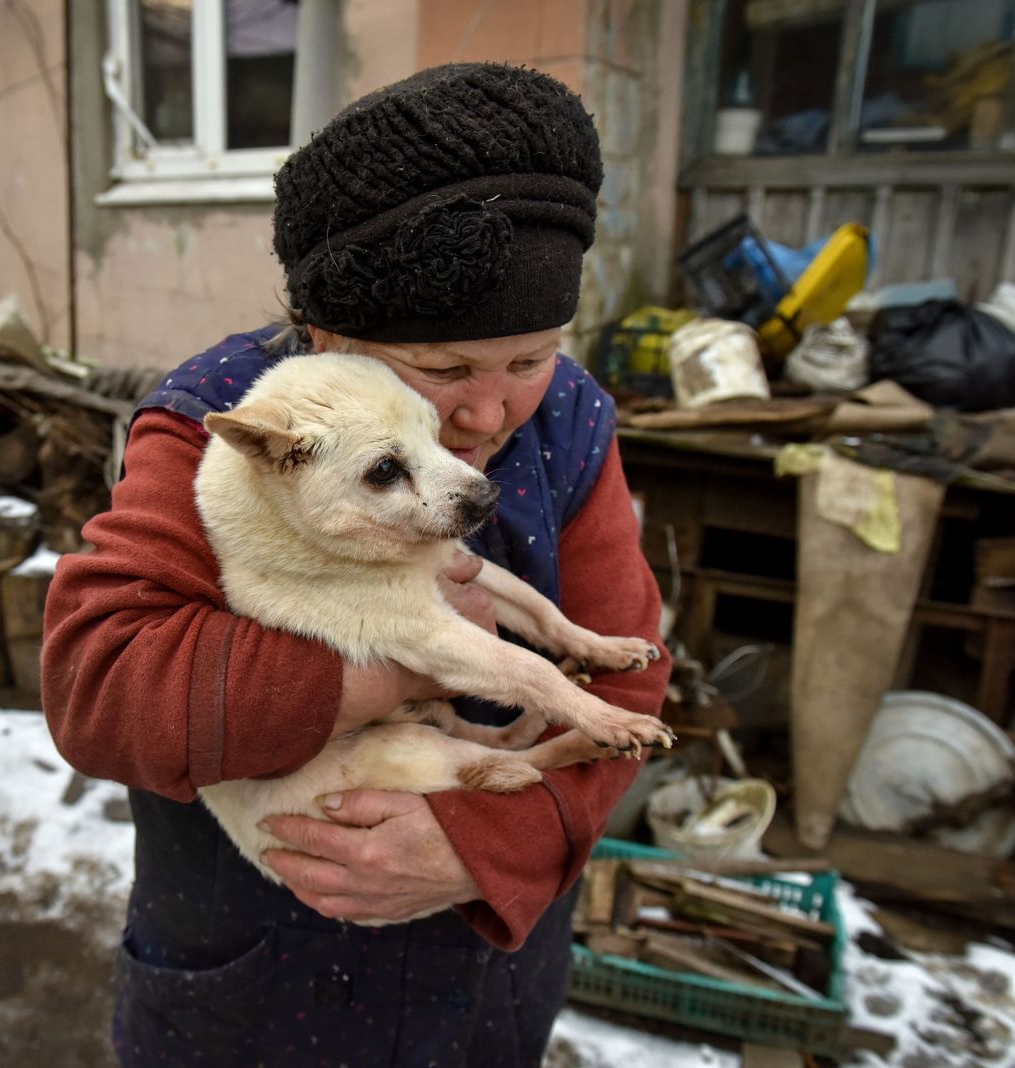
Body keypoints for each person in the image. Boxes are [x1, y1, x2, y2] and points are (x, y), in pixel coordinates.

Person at [41, 62, 672, 1067]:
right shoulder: (240, 427)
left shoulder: (574, 422)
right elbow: (104, 688)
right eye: (440, 369)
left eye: (529, 356)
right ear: (327, 336)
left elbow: (626, 672)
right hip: (254, 986)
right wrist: (406, 660)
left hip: (482, 989)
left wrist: (490, 847)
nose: (488, 411)